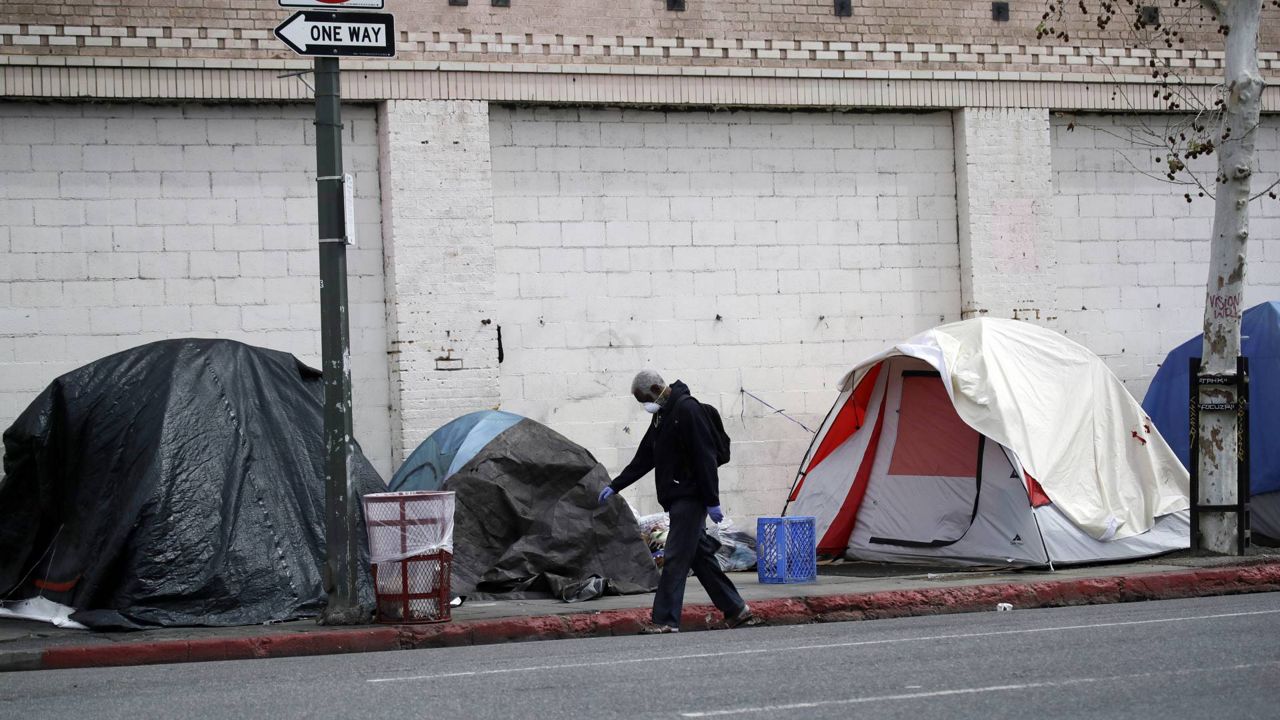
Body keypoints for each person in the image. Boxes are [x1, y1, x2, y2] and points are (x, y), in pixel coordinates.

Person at [598, 370, 759, 634]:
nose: (644, 406)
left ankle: (665, 620)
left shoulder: (687, 410)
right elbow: (645, 456)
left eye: (643, 399)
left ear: (655, 388)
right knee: (700, 558)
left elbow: (704, 456)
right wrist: (616, 485)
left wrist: (711, 500)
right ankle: (736, 610)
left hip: (691, 496)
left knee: (674, 558)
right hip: (678, 497)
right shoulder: (663, 415)